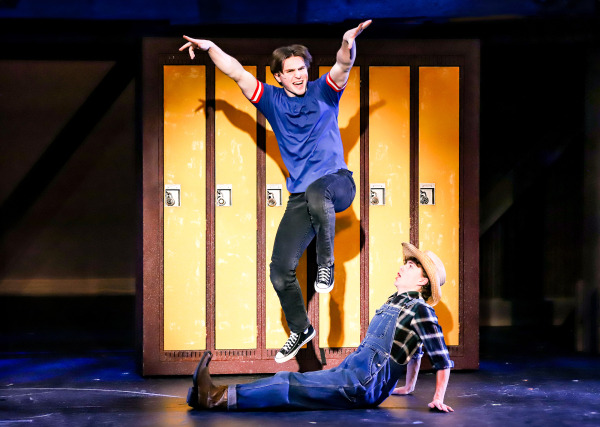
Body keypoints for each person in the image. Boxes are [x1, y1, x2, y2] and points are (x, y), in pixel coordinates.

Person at [180, 20, 372, 363]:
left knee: (318, 191)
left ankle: (324, 264)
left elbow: (343, 64)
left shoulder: (324, 91)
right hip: (302, 197)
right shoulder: (270, 101)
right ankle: (301, 328)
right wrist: (210, 47)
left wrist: (347, 42)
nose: (298, 75)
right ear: (278, 77)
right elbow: (237, 73)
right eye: (291, 71)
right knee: (280, 269)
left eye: (302, 69)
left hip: (337, 184)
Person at [186, 242, 454, 413]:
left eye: (408, 267)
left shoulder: (422, 310)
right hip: (352, 370)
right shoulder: (396, 301)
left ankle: (214, 398)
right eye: (404, 264)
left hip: (362, 384)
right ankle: (208, 393)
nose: (401, 268)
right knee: (292, 382)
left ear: (422, 281)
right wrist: (408, 388)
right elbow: (415, 352)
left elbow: (441, 358)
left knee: (288, 382)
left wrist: (438, 398)